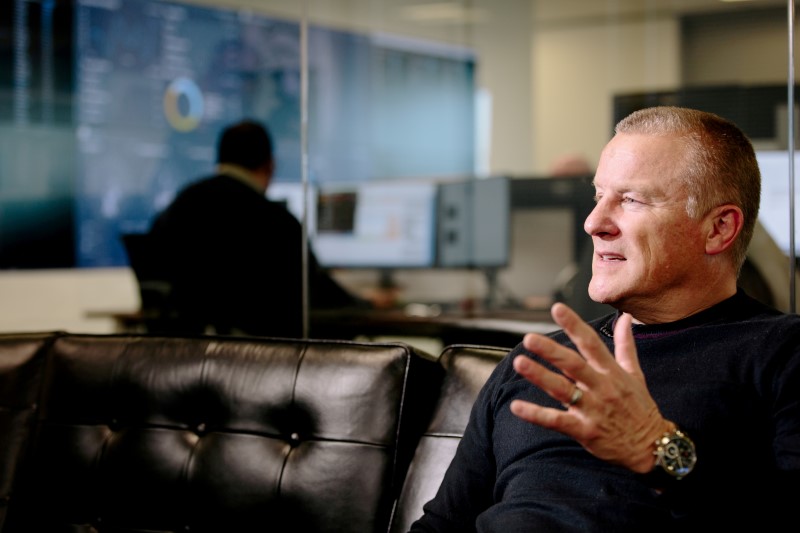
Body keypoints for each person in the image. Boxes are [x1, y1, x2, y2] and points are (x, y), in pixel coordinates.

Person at [410, 106, 800, 531]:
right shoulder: (540, 360)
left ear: (718, 229)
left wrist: (659, 450)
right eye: (599, 197)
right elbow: (441, 526)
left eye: (631, 200)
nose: (594, 223)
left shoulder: (783, 353)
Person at [147, 119, 367, 337]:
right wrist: (366, 303)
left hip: (183, 355)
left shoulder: (178, 207)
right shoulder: (276, 222)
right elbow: (316, 291)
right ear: (270, 165)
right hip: (259, 359)